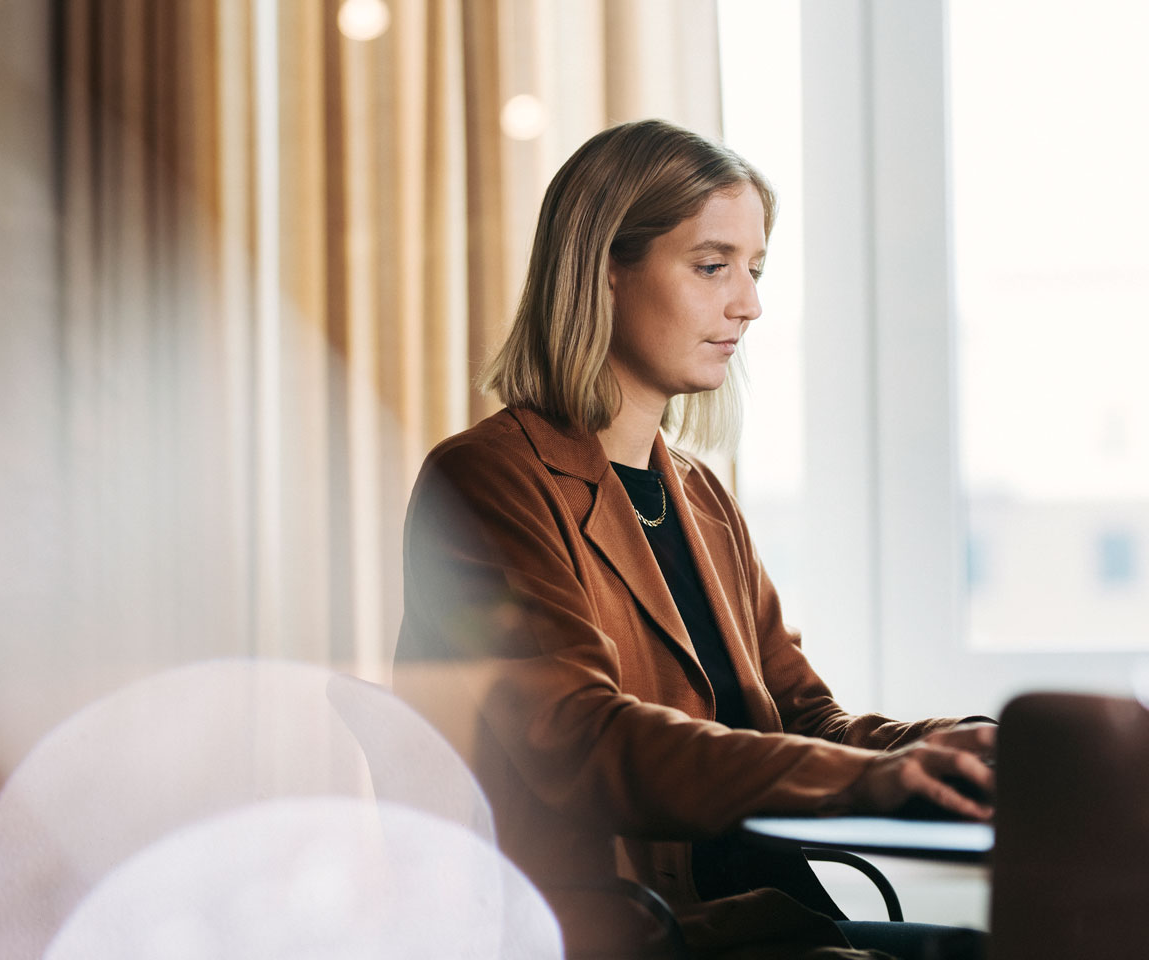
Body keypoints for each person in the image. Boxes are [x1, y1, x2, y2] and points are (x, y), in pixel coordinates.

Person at [394, 120, 996, 960]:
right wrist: (867, 780)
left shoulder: (703, 497)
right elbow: (584, 739)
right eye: (713, 266)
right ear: (605, 268)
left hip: (769, 913)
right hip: (644, 931)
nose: (747, 303)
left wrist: (945, 750)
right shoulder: (486, 482)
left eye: (753, 269)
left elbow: (799, 717)